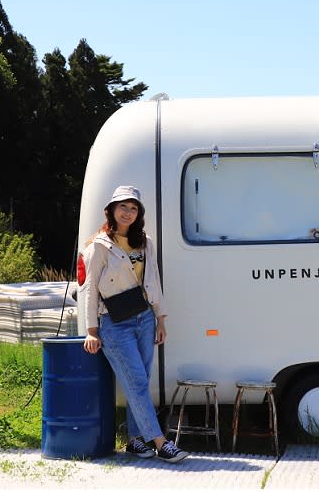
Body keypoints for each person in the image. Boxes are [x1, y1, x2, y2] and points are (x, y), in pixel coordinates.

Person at [81, 185, 189, 463]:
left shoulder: (145, 242)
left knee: (138, 382)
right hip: (114, 323)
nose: (127, 212)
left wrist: (160, 318)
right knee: (139, 383)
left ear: (138, 213)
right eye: (122, 207)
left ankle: (135, 440)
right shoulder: (100, 245)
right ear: (111, 211)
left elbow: (153, 279)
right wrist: (91, 330)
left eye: (133, 208)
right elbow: (89, 288)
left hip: (144, 318)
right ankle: (161, 442)